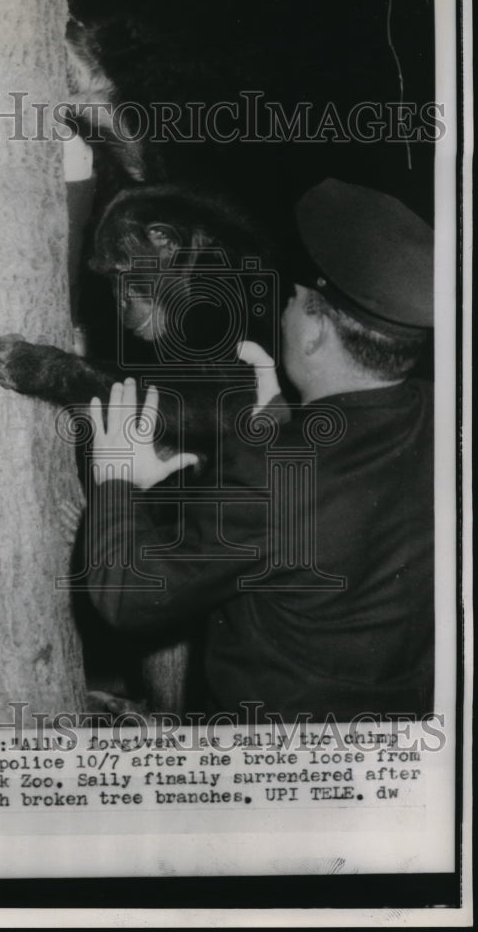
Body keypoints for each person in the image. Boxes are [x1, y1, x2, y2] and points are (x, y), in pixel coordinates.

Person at [86, 178, 434, 722]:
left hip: (280, 759)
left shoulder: (275, 479)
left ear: (316, 333)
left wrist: (117, 481)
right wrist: (272, 424)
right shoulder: (440, 418)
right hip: (402, 741)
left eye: (296, 303)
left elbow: (128, 596)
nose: (282, 314)